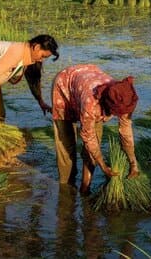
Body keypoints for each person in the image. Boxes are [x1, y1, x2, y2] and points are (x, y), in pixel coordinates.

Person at [0, 34, 59, 166]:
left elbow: (33, 80)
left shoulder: (29, 57)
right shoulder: (16, 53)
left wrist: (41, 102)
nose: (42, 60)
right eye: (43, 56)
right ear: (36, 47)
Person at [51, 64, 140, 194]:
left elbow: (126, 132)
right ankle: (66, 187)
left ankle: (85, 188)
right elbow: (88, 138)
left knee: (94, 144)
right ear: (109, 108)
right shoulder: (91, 105)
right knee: (67, 144)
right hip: (64, 86)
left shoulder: (123, 96)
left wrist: (133, 164)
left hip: (87, 80)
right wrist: (103, 166)